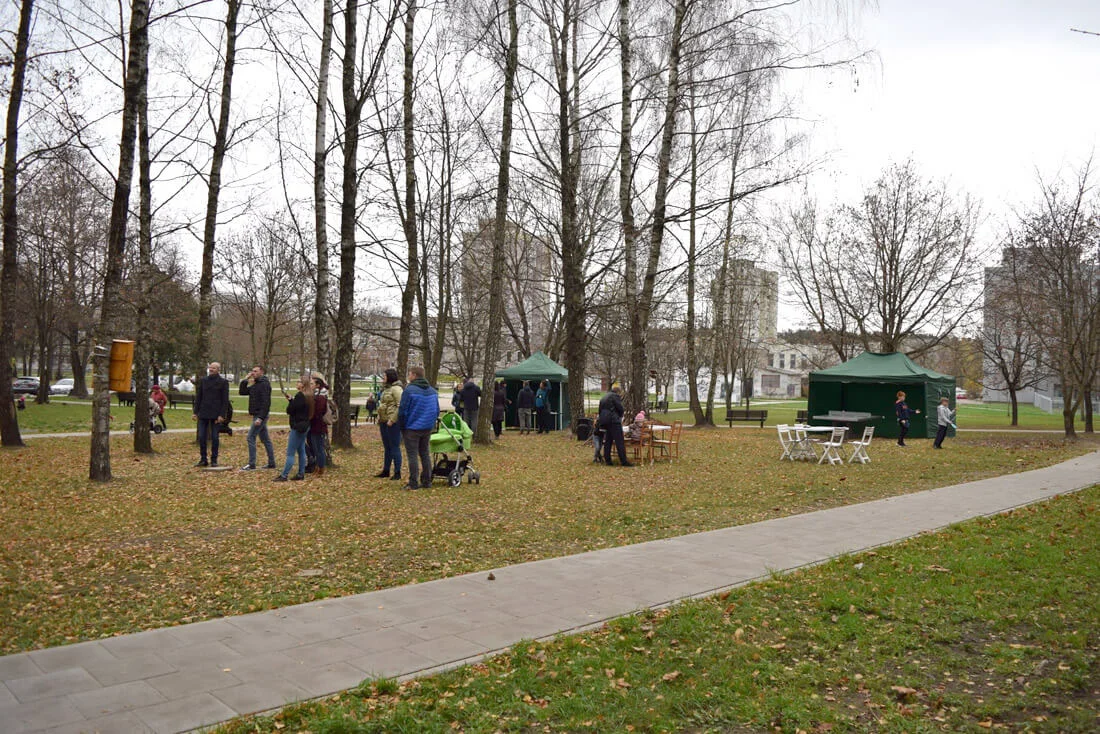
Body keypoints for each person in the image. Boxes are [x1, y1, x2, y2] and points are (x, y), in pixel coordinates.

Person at [398, 365, 439, 490]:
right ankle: (427, 480)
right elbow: (436, 410)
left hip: (412, 427)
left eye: (409, 374)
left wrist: (402, 426)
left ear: (414, 376)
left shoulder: (409, 391)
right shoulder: (432, 391)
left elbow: (402, 411)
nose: (408, 376)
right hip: (427, 427)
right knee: (425, 454)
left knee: (412, 455)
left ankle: (413, 482)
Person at [274, 375, 313, 481]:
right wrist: (292, 400)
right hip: (305, 425)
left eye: (299, 382)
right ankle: (301, 473)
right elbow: (299, 407)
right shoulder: (309, 395)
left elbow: (290, 410)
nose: (297, 383)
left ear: (303, 385)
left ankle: (284, 475)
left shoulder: (301, 396)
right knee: (301, 450)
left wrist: (291, 402)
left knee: (290, 453)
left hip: (298, 426)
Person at [238, 365, 276, 470]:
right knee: (265, 439)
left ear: (261, 372)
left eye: (255, 371)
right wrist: (245, 379)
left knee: (250, 437)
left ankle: (252, 464)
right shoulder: (256, 384)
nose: (253, 373)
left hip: (260, 415)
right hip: (257, 414)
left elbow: (266, 403)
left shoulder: (264, 385)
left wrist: (260, 418)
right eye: (252, 371)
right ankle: (272, 462)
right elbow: (243, 392)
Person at [193, 362, 230, 467]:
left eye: (213, 368)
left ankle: (214, 460)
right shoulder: (204, 381)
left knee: (214, 437)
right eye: (210, 367)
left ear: (218, 369)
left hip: (216, 414)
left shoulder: (223, 382)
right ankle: (203, 459)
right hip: (203, 413)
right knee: (201, 436)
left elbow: (225, 400)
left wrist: (222, 415)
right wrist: (195, 412)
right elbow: (199, 397)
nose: (211, 369)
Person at [376, 368, 403, 480]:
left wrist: (392, 419)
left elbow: (400, 405)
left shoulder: (396, 389)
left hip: (393, 423)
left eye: (385, 376)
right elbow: (383, 404)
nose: (383, 378)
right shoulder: (386, 389)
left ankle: (397, 472)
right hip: (384, 421)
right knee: (387, 447)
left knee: (394, 446)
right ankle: (386, 470)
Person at [597, 385, 632, 467]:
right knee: (619, 441)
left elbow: (600, 410)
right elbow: (620, 408)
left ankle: (608, 460)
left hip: (605, 421)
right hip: (614, 421)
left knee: (608, 441)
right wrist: (620, 416)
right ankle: (623, 461)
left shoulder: (604, 397)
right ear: (618, 392)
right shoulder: (615, 397)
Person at [309, 372, 330, 477]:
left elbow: (318, 411)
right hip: (314, 426)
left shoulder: (321, 397)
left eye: (312, 383)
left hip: (319, 426)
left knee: (319, 448)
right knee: (315, 447)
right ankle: (318, 466)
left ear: (317, 385)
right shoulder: (316, 395)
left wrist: (310, 416)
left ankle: (321, 467)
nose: (310, 385)